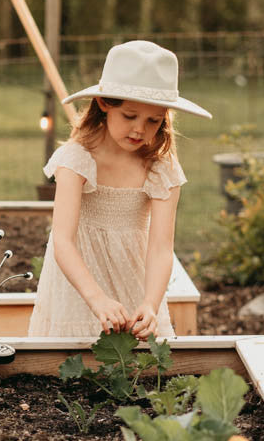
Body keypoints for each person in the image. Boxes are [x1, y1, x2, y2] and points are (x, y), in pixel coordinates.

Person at [28, 39, 211, 340]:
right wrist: (97, 298)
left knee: (137, 375)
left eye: (153, 121)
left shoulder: (161, 168)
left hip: (134, 284)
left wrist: (150, 303)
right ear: (104, 103)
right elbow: (62, 240)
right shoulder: (77, 159)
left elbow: (161, 248)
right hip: (80, 288)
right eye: (129, 116)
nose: (140, 129)